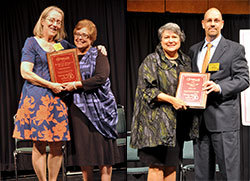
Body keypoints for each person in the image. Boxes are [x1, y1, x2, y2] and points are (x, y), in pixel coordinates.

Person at [130, 23, 199, 181]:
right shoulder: (151, 61)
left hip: (176, 125)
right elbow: (146, 90)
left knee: (171, 166)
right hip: (154, 126)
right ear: (160, 40)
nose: (170, 40)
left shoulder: (186, 62)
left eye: (174, 36)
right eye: (166, 37)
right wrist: (171, 99)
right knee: (156, 167)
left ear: (180, 39)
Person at [12, 6, 73, 181]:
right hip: (36, 98)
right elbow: (26, 72)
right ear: (43, 21)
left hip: (57, 99)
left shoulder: (62, 45)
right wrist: (51, 85)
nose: (55, 24)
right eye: (52, 20)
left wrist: (98, 48)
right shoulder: (31, 42)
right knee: (39, 143)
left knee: (57, 143)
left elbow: (81, 56)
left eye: (59, 21)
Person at [188, 8, 249, 180]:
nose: (212, 24)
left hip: (224, 121)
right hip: (199, 123)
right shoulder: (194, 50)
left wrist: (219, 87)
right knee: (202, 175)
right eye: (209, 20)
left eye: (216, 20)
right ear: (203, 24)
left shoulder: (234, 49)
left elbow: (244, 79)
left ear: (222, 24)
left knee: (229, 173)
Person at [63, 19, 121, 181]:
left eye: (85, 35)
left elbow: (101, 78)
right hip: (78, 109)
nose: (80, 38)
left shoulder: (98, 54)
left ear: (92, 39)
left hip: (100, 109)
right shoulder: (67, 55)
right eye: (78, 34)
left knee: (104, 155)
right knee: (84, 154)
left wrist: (76, 85)